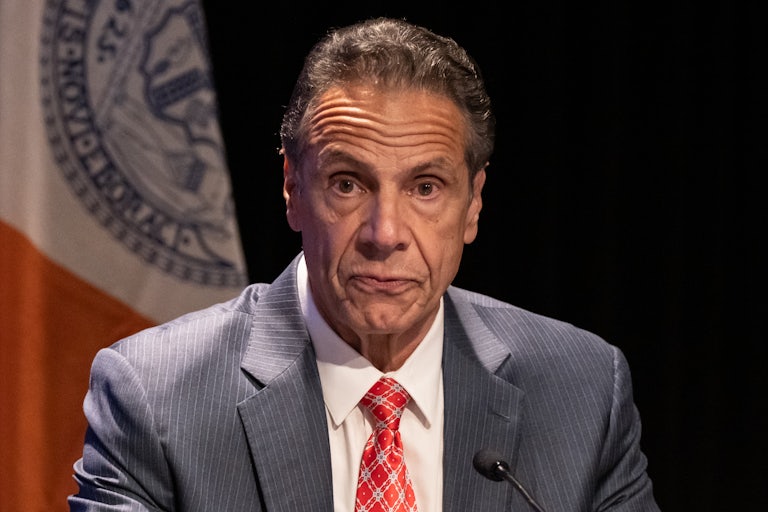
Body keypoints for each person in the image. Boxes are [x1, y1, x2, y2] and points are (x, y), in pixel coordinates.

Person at [69, 17, 660, 511]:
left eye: (426, 188)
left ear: (474, 204)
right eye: (348, 183)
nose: (385, 235)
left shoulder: (583, 393)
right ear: (292, 189)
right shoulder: (156, 398)